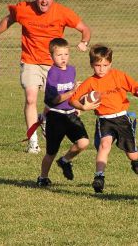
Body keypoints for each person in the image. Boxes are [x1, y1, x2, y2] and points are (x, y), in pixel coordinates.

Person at [0, 0, 91, 154]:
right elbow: (8, 20)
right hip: (30, 60)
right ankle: (33, 142)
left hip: (53, 65)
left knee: (57, 100)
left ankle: (44, 118)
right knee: (31, 98)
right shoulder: (24, 9)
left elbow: (84, 28)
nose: (44, 1)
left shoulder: (62, 12)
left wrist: (84, 42)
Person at [69, 44, 138, 193]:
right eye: (98, 65)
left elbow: (135, 88)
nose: (101, 69)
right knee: (104, 145)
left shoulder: (118, 75)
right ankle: (99, 177)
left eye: (105, 65)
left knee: (132, 154)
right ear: (92, 64)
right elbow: (72, 100)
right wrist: (83, 107)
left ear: (110, 64)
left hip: (122, 119)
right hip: (104, 120)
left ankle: (137, 160)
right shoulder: (90, 82)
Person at [36, 38, 89, 187]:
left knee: (83, 142)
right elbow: (55, 99)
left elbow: (74, 94)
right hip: (56, 116)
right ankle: (43, 177)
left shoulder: (72, 70)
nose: (63, 58)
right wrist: (72, 91)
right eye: (59, 55)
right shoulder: (53, 73)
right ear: (52, 56)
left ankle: (65, 160)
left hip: (71, 114)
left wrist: (78, 105)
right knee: (51, 152)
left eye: (66, 54)